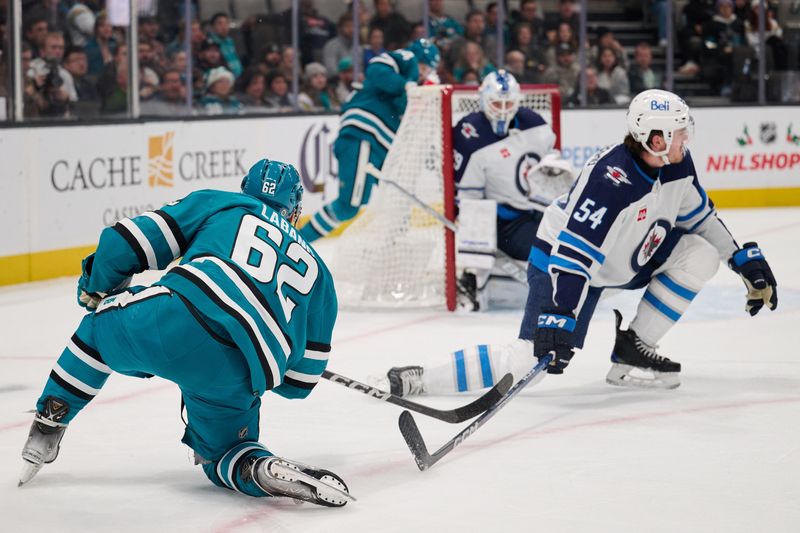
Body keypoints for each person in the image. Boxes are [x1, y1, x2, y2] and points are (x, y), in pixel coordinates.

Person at [384, 89, 777, 396]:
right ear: (655, 138)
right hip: (565, 265)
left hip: (628, 256)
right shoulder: (610, 180)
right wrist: (561, 313)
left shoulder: (677, 164)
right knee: (529, 359)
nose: (685, 140)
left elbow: (700, 217)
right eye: (678, 133)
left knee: (702, 254)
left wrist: (740, 259)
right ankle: (423, 377)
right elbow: (574, 254)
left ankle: (633, 347)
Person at [18, 159, 352, 507]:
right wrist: (271, 353)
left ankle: (49, 422)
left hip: (177, 319)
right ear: (295, 208)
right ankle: (256, 466)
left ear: (245, 188)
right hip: (235, 375)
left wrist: (100, 287)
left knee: (97, 332)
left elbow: (123, 241)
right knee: (225, 453)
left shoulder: (223, 203)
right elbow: (299, 385)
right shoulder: (320, 274)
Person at [298, 38, 440, 243]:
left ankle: (394, 242)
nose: (424, 72)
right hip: (364, 136)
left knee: (397, 196)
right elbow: (376, 69)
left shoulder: (417, 87)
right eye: (425, 67)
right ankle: (297, 241)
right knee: (348, 206)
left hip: (379, 147)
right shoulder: (407, 59)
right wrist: (406, 84)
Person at [452, 69, 570, 311]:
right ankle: (472, 279)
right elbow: (467, 197)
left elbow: (552, 162)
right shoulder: (470, 133)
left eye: (509, 103)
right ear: (484, 100)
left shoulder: (534, 123)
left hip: (536, 211)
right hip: (502, 222)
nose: (503, 109)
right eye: (497, 102)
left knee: (571, 238)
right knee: (475, 216)